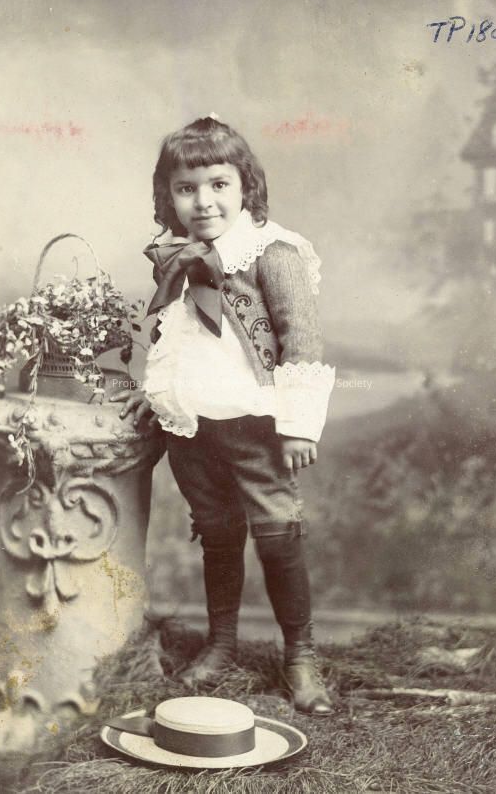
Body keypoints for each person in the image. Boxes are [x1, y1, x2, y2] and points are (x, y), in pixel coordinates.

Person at [114, 116, 336, 716]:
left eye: (218, 184)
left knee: (277, 534)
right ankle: (222, 644)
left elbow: (301, 340)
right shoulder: (177, 257)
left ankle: (301, 656)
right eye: (186, 189)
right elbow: (175, 335)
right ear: (169, 196)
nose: (204, 201)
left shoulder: (273, 252)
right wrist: (155, 394)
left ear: (246, 187)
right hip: (193, 427)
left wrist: (298, 424)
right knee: (217, 533)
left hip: (256, 425)